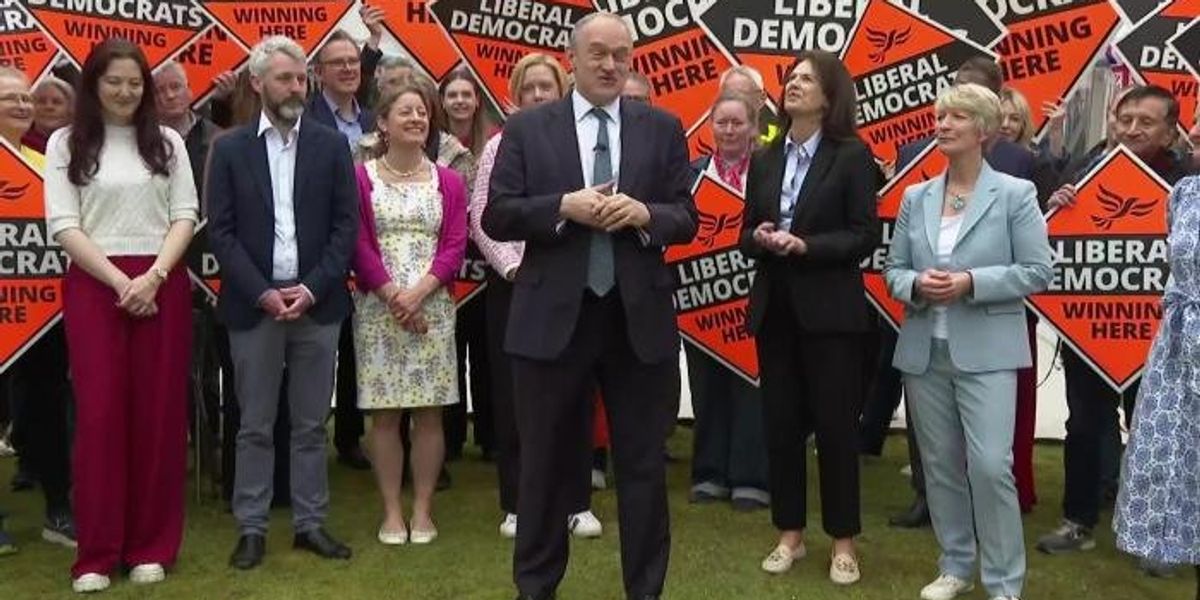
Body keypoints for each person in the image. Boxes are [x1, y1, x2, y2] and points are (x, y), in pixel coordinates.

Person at [482, 12, 697, 600]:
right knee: (545, 466)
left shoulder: (661, 126)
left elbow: (686, 215)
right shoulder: (528, 129)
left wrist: (647, 215)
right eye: (598, 53)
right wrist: (562, 206)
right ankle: (536, 587)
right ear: (570, 59)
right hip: (552, 319)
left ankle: (645, 590)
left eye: (621, 55)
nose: (610, 65)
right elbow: (497, 212)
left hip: (636, 322)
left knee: (643, 468)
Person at [885, 83, 1052, 600]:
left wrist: (971, 283)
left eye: (956, 117)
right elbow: (893, 271)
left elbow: (1037, 271)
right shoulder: (917, 196)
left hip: (988, 351)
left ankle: (1004, 582)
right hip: (924, 350)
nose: (943, 124)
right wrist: (916, 286)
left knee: (989, 466)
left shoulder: (1016, 194)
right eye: (940, 116)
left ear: (983, 130)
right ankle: (956, 564)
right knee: (939, 466)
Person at [43, 38, 199, 592]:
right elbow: (63, 224)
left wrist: (153, 276)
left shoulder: (169, 145)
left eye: (136, 82)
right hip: (95, 285)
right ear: (94, 84)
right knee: (101, 417)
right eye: (115, 82)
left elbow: (185, 214)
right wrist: (118, 280)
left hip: (162, 282)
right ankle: (97, 551)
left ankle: (150, 546)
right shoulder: (66, 143)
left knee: (158, 417)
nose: (126, 92)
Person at [205, 35, 359, 571]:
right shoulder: (228, 149)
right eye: (285, 79)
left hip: (318, 304)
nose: (296, 87)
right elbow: (220, 233)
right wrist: (264, 291)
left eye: (301, 79)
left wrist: (313, 286)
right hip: (254, 306)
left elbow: (346, 226)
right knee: (254, 423)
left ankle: (310, 524)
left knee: (311, 424)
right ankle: (251, 527)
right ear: (257, 83)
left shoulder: (330, 145)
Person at [739, 51, 879, 584]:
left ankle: (843, 543)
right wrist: (760, 237)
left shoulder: (852, 155)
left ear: (830, 95)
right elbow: (745, 230)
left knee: (836, 429)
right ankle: (789, 535)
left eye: (806, 79)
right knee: (780, 426)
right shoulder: (766, 157)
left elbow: (864, 235)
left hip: (831, 314)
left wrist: (806, 244)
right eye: (790, 78)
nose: (793, 85)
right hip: (776, 310)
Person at [1037, 85, 1193, 556]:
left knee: (1159, 434)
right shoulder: (1088, 166)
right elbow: (1053, 232)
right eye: (1124, 120)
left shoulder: (1187, 180)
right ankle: (1077, 520)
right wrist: (1059, 204)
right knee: (1083, 424)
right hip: (1094, 329)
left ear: (1170, 131)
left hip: (1163, 336)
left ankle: (1159, 536)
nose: (1131, 129)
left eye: (1146, 122)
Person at [468, 52, 603, 539]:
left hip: (573, 284)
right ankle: (518, 504)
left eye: (547, 86)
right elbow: (484, 214)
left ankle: (575, 502)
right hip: (517, 288)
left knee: (575, 395)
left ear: (562, 90)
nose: (539, 95)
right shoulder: (500, 145)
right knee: (516, 398)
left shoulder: (581, 144)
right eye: (530, 88)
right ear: (515, 95)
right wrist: (512, 267)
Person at [351, 80, 467, 545]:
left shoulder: (449, 180)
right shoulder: (360, 177)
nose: (417, 119)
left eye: (422, 113)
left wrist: (419, 293)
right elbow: (356, 241)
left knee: (430, 415)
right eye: (406, 112)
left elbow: (455, 244)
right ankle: (392, 512)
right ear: (382, 123)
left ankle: (422, 510)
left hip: (433, 307)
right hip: (379, 310)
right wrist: (393, 296)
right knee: (384, 416)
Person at [1113, 171, 1200, 600]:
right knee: (1167, 444)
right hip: (1178, 338)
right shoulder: (1185, 192)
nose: (1197, 131)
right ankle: (1166, 538)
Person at [0, 66, 75, 550]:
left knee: (50, 407)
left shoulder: (43, 161)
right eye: (10, 97)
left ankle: (59, 509)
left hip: (44, 311)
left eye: (26, 97)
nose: (23, 105)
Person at [309, 26, 386, 472]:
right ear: (318, 73)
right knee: (326, 343)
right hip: (326, 248)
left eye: (353, 62)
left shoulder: (374, 120)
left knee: (361, 346)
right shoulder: (307, 118)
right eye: (337, 62)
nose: (347, 68)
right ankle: (311, 435)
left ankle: (351, 436)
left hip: (373, 244)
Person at [687, 92, 769, 511]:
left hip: (756, 295)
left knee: (753, 387)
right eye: (722, 122)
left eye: (738, 123)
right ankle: (709, 472)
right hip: (702, 298)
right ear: (711, 127)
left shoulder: (769, 171)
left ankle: (751, 477)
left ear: (754, 128)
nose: (730, 130)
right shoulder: (693, 174)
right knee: (707, 387)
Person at [438, 67, 494, 464]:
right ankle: (451, 438)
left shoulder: (493, 142)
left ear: (478, 101)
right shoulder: (434, 145)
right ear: (443, 101)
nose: (460, 100)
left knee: (487, 354)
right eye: (452, 94)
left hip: (487, 263)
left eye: (466, 94)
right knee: (451, 354)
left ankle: (491, 437)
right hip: (447, 265)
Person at [21, 75, 73, 153]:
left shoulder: (83, 144)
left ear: (70, 109)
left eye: (57, 102)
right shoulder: (15, 144)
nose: (49, 107)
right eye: (41, 101)